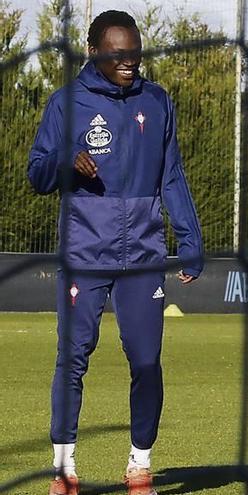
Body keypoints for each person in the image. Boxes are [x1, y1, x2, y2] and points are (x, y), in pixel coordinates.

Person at [28, 10, 204, 495]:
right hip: (84, 252)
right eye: (118, 54)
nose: (129, 61)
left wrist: (189, 239)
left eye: (135, 52)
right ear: (94, 53)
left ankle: (140, 467)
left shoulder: (157, 101)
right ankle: (64, 470)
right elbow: (37, 173)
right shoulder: (66, 104)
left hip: (144, 257)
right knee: (73, 358)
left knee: (147, 362)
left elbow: (172, 176)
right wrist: (66, 164)